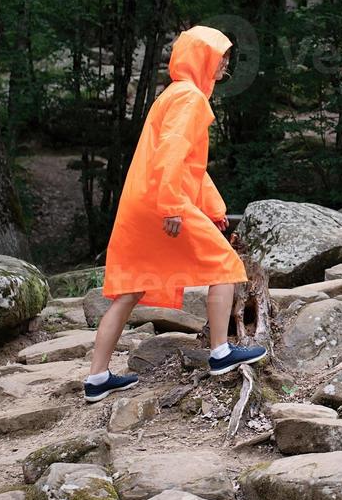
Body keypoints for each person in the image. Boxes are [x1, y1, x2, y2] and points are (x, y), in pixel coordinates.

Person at [84, 25, 265, 402]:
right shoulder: (190, 98)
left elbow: (190, 167)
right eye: (220, 57)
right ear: (200, 58)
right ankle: (220, 353)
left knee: (129, 291)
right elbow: (170, 155)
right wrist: (170, 206)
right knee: (226, 265)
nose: (224, 65)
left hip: (140, 203)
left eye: (227, 59)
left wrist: (213, 210)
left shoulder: (173, 95)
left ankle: (97, 378)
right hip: (161, 202)